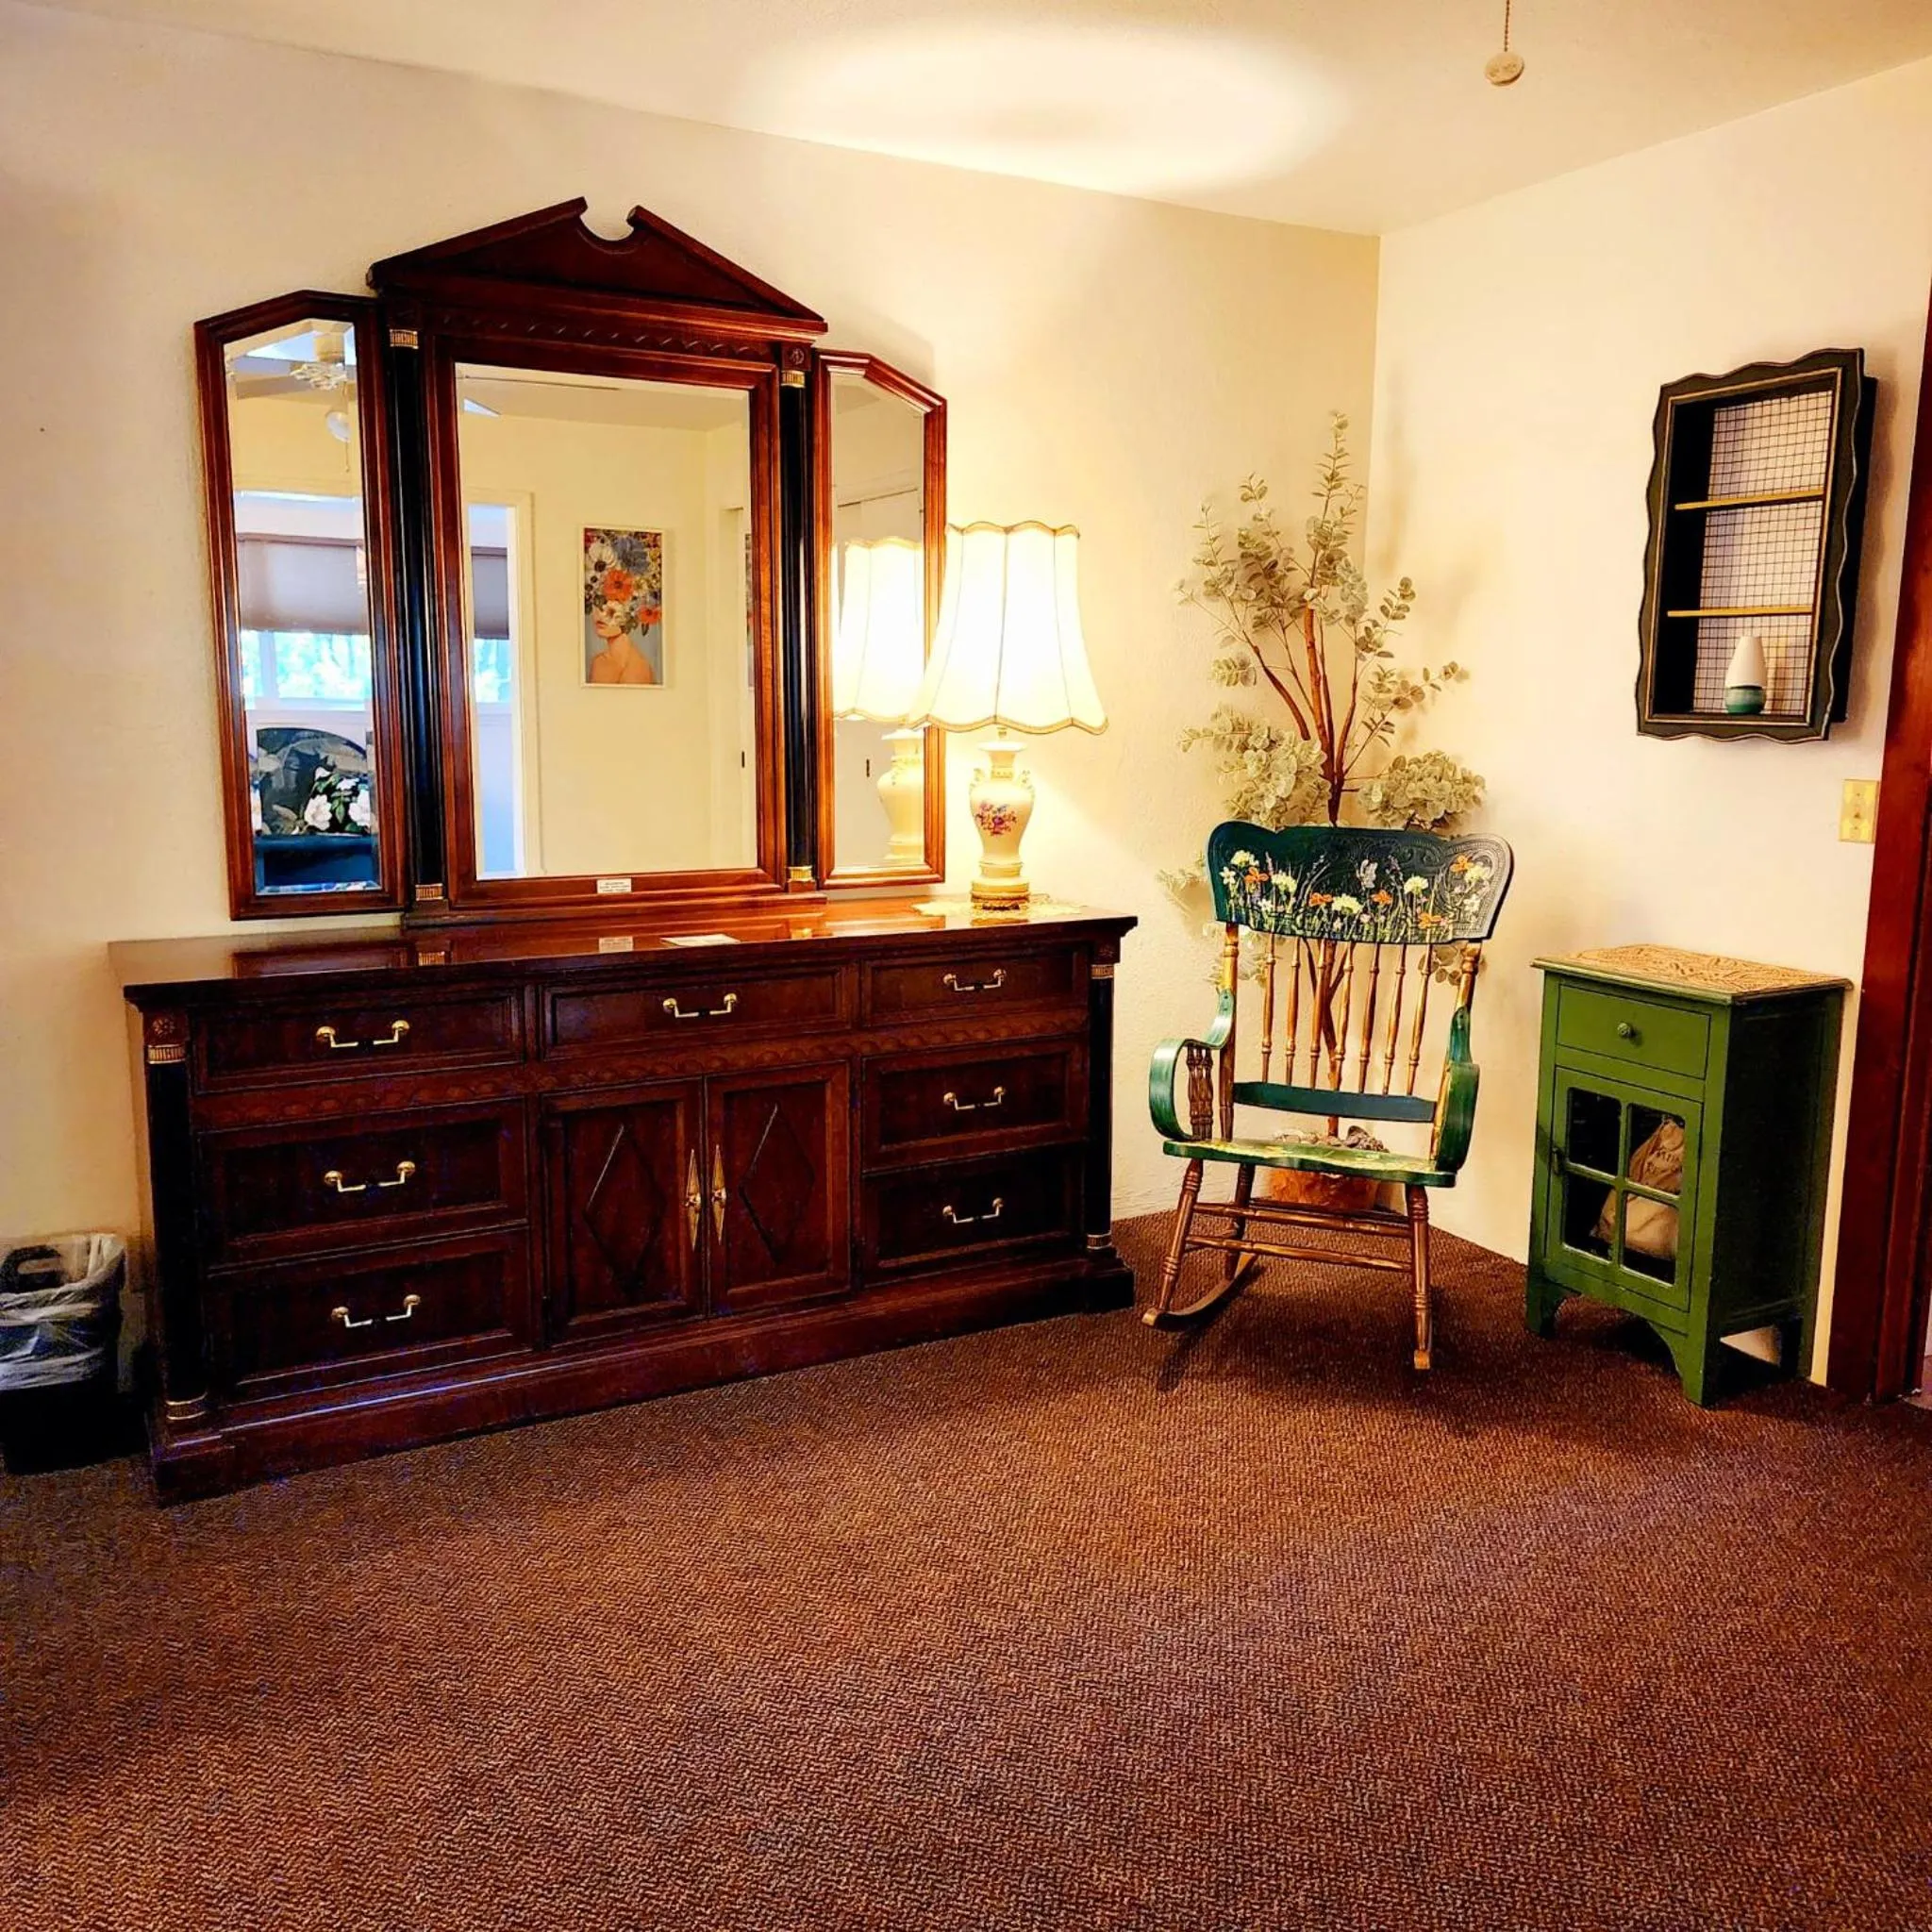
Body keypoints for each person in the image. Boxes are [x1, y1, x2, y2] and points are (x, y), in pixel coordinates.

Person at [588, 599, 659, 685]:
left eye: (611, 610)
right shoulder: (598, 662)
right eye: (597, 604)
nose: (600, 615)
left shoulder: (637, 668)